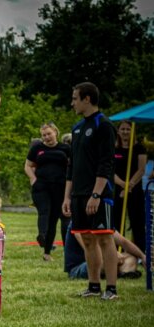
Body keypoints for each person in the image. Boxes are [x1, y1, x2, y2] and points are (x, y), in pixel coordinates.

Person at [62, 82, 118, 300]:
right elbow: (72, 166)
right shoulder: (76, 128)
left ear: (87, 99)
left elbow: (106, 163)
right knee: (86, 239)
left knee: (104, 238)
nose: (72, 102)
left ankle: (111, 289)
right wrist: (67, 196)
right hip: (78, 194)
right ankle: (94, 286)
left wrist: (96, 195)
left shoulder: (103, 125)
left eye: (75, 98)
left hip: (99, 194)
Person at [25, 122, 72, 262]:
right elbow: (28, 165)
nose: (47, 137)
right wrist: (33, 179)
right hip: (42, 187)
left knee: (59, 218)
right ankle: (43, 237)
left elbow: (72, 166)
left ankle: (64, 250)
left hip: (61, 187)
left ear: (55, 132)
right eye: (44, 135)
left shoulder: (66, 148)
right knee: (45, 212)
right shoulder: (37, 148)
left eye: (49, 134)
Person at [112, 120, 148, 251]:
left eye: (128, 129)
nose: (125, 132)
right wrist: (122, 185)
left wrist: (129, 186)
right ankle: (115, 252)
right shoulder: (114, 148)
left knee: (137, 222)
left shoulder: (139, 148)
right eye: (123, 129)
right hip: (117, 189)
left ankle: (140, 253)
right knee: (115, 222)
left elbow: (141, 169)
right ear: (118, 131)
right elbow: (110, 170)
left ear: (132, 131)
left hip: (135, 189)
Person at [64, 222, 145, 280]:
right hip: (78, 268)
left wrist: (142, 256)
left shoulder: (103, 220)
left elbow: (124, 242)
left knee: (133, 257)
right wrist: (113, 255)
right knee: (106, 260)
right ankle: (122, 271)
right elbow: (89, 249)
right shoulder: (77, 222)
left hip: (102, 261)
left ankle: (124, 274)